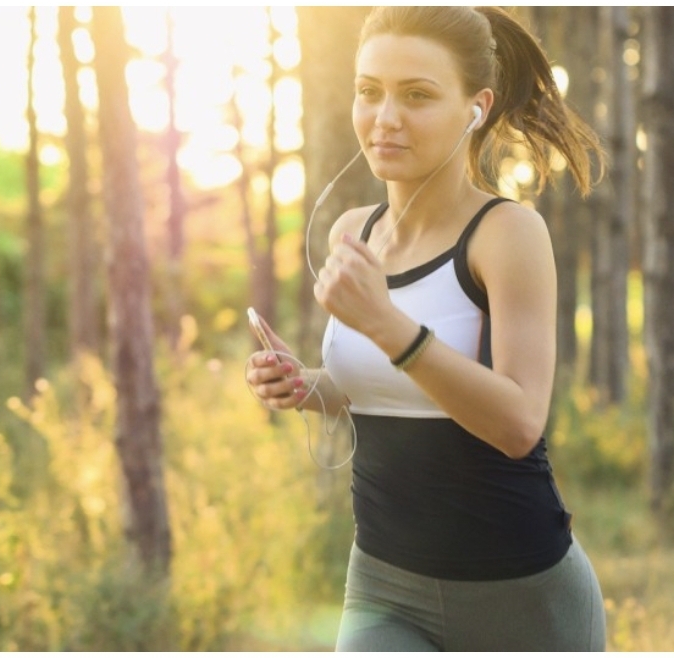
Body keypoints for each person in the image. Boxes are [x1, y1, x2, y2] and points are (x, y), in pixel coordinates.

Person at [245, 6, 607, 652]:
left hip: (521, 596)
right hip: (383, 587)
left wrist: (387, 324)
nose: (385, 119)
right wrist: (306, 386)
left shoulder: (506, 235)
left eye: (417, 96)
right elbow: (377, 389)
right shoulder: (351, 232)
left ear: (476, 106)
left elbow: (519, 422)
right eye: (369, 92)